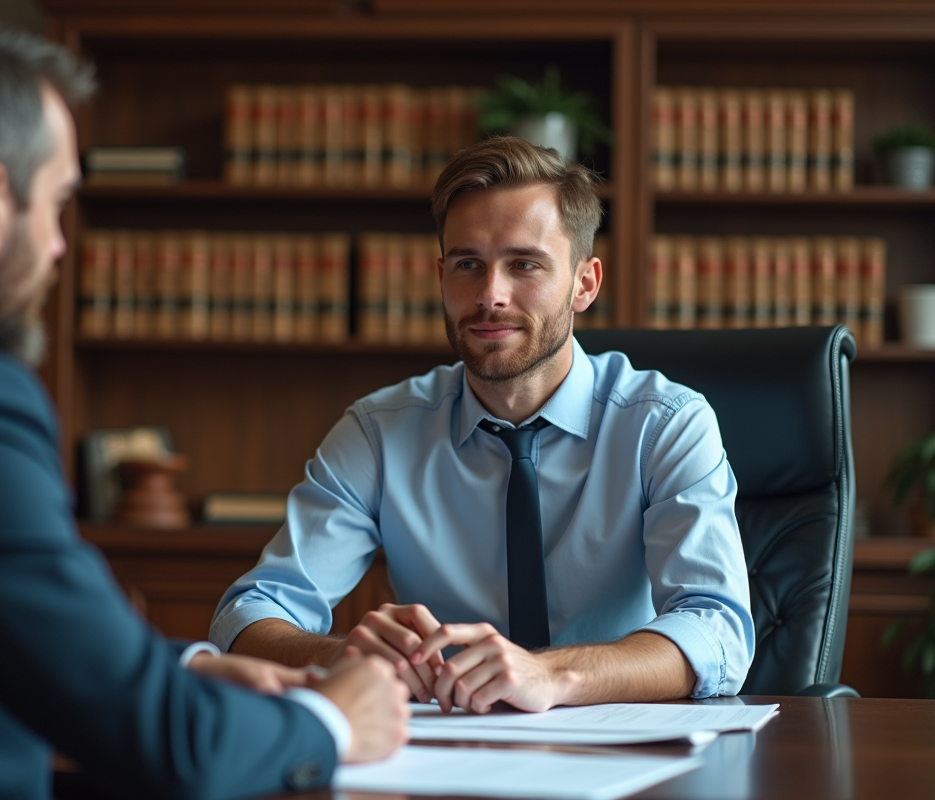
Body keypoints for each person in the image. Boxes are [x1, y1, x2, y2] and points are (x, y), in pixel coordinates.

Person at [0, 13, 407, 800]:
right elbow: (174, 748)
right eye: (58, 204)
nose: (62, 247)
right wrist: (335, 721)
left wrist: (192, 666)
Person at [213, 137, 755, 714]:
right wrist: (341, 654)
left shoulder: (665, 425)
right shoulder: (378, 432)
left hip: (624, 753)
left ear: (585, 284)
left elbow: (717, 629)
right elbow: (249, 613)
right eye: (469, 265)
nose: (490, 296)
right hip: (447, 746)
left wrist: (550, 675)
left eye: (524, 264)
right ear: (441, 277)